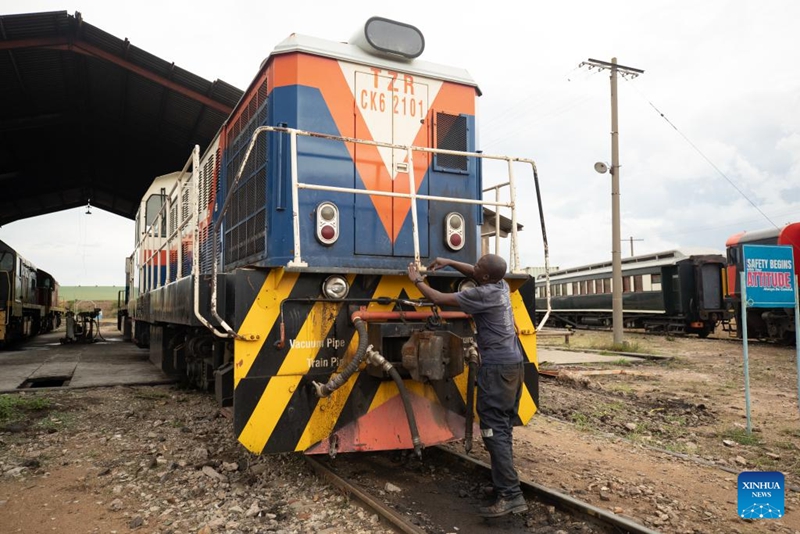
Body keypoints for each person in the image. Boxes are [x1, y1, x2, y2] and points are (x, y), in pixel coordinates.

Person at [407, 254, 528, 518]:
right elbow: (474, 272)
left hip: (497, 369)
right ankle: (503, 486)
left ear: (484, 277)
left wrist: (417, 280)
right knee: (502, 427)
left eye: (478, 267)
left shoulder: (482, 295)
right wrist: (449, 262)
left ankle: (511, 495)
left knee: (493, 429)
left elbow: (437, 299)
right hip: (513, 366)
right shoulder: (500, 286)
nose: (474, 268)